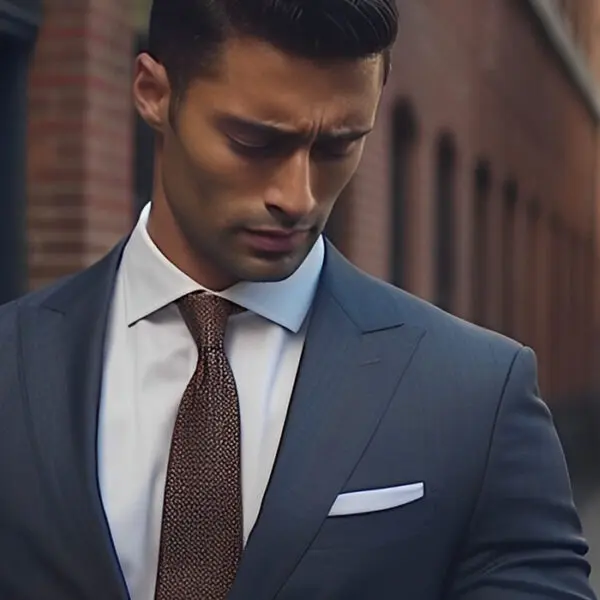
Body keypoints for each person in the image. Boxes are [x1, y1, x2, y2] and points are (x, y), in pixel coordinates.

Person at [0, 0, 595, 598]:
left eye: (338, 146)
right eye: (254, 142)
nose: (298, 196)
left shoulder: (475, 392)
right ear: (154, 92)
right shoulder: (13, 361)